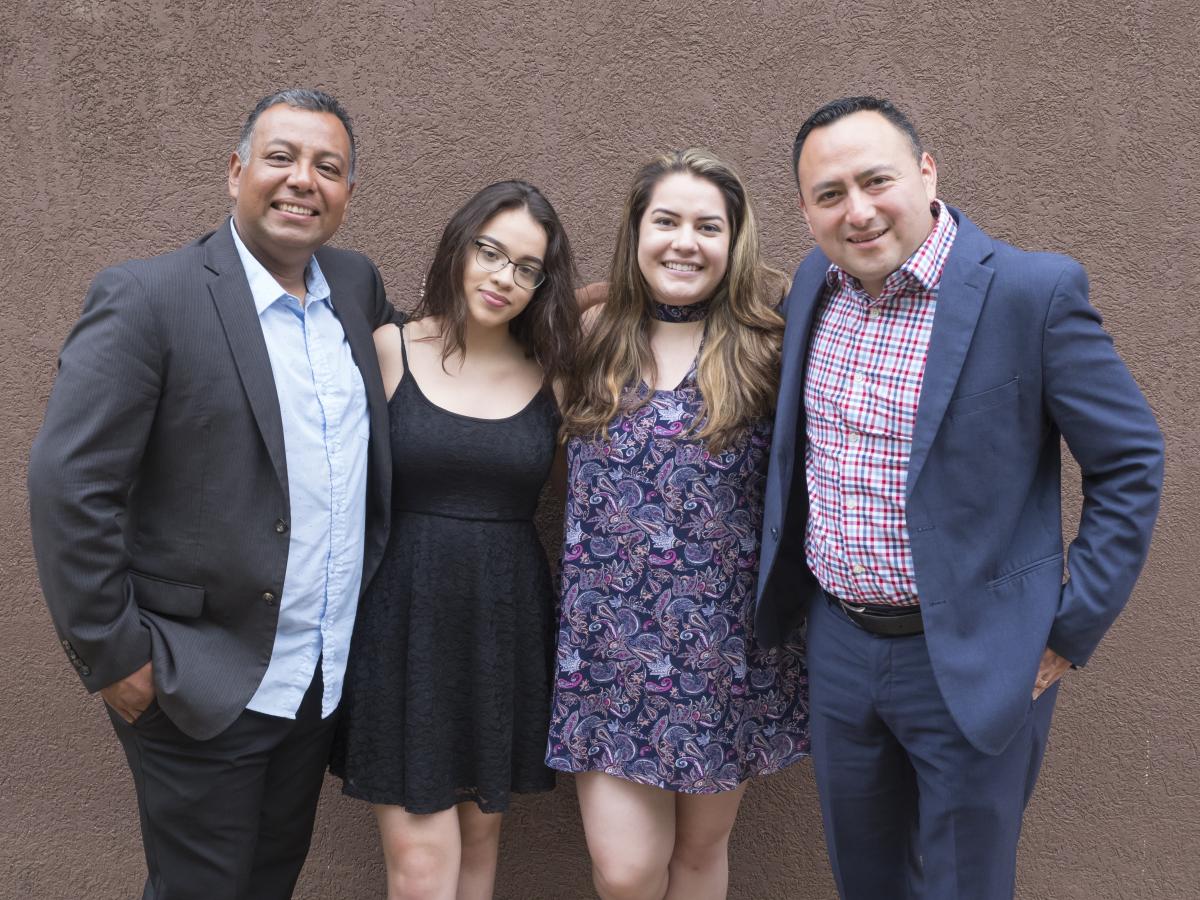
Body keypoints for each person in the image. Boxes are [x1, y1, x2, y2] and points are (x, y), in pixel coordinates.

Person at [753, 96, 1164, 899]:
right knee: (864, 881)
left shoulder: (1030, 292)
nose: (859, 210)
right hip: (839, 648)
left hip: (976, 656)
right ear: (805, 211)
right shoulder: (811, 286)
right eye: (830, 194)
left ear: (927, 171)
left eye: (877, 180)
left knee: (963, 886)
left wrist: (1067, 630)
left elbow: (1130, 461)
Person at [26, 88, 396, 900]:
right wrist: (116, 658)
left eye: (327, 168)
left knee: (269, 886)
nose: (304, 180)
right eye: (281, 158)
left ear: (347, 197)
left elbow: (451, 353)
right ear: (235, 174)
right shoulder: (148, 298)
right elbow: (69, 485)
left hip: (315, 686)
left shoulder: (356, 288)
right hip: (198, 683)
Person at [548, 149, 810, 900]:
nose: (684, 242)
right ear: (636, 233)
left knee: (700, 855)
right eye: (665, 221)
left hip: (724, 655)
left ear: (735, 242)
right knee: (627, 872)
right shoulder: (589, 337)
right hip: (607, 654)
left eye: (708, 226)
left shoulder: (767, 347)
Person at [331, 180, 581, 900]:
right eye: (491, 252)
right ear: (459, 247)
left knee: (479, 845)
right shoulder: (390, 349)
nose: (504, 277)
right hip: (401, 622)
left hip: (502, 623)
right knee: (420, 866)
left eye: (527, 267)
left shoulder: (554, 375)